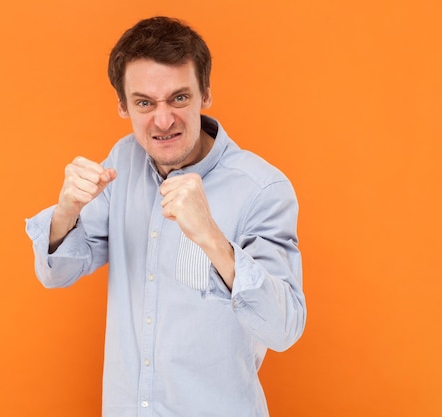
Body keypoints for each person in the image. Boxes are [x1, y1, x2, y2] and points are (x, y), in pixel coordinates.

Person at [25, 16, 306, 417]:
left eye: (178, 98)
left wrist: (210, 236)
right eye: (144, 103)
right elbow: (57, 273)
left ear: (205, 93)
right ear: (123, 105)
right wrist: (66, 211)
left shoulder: (262, 189)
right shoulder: (124, 161)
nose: (162, 120)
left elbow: (283, 329)